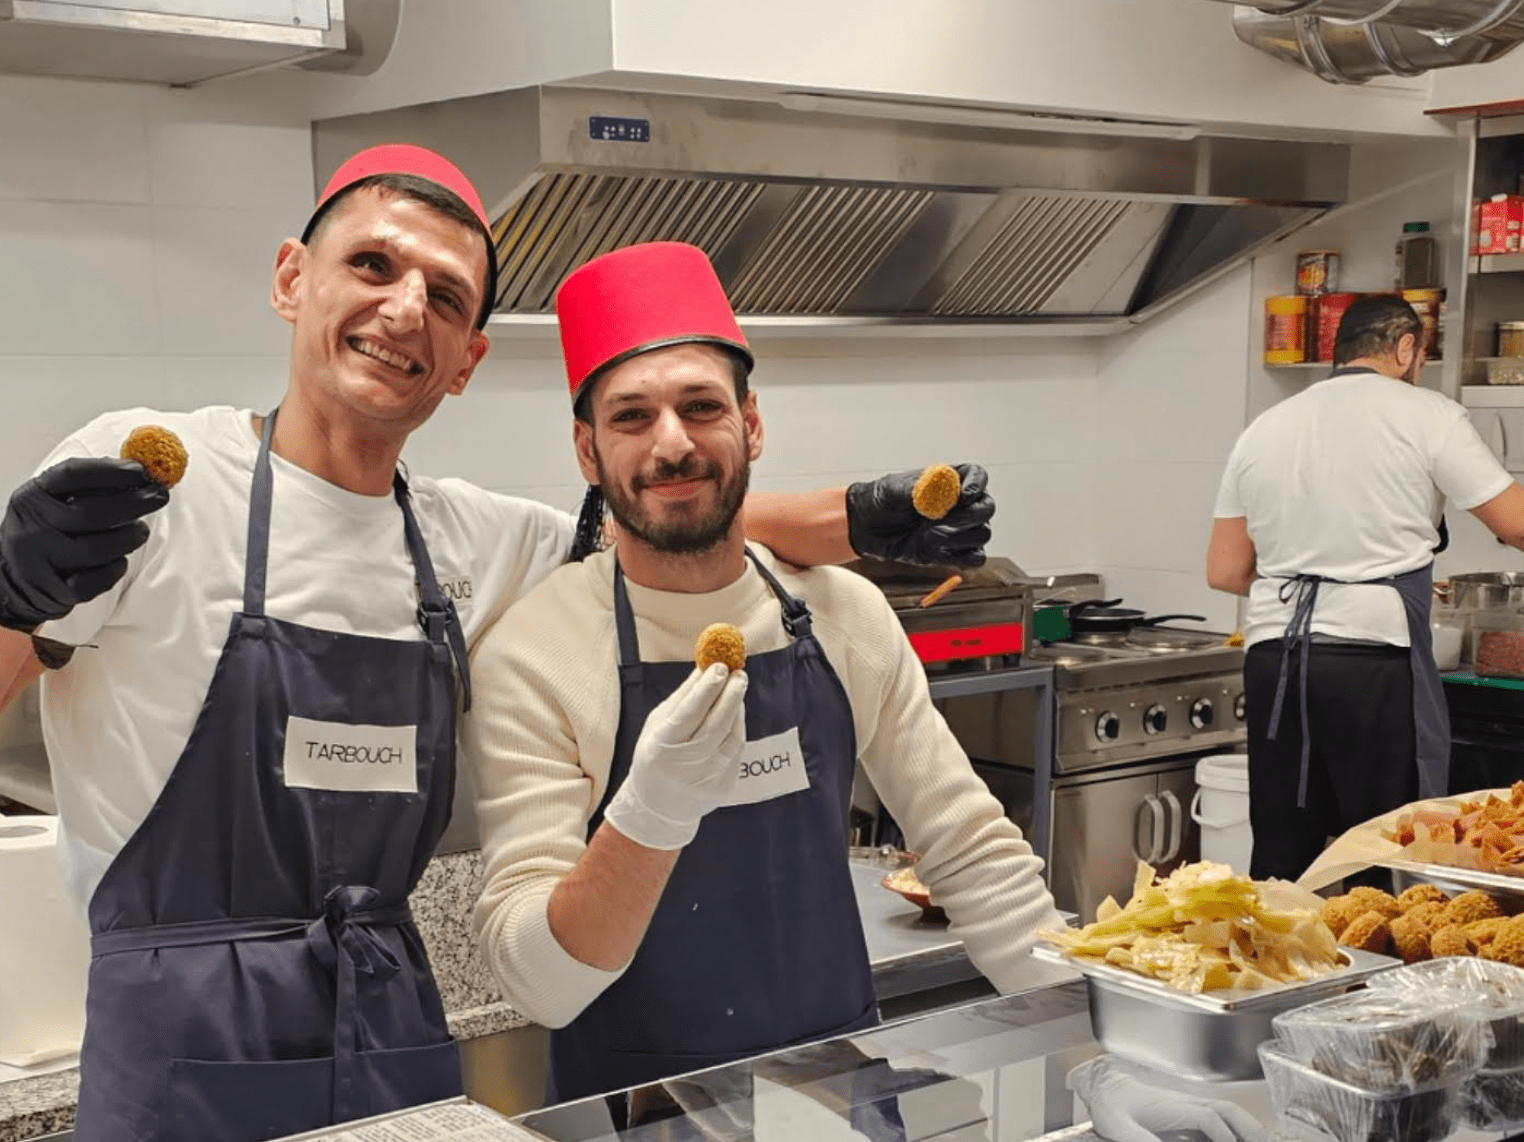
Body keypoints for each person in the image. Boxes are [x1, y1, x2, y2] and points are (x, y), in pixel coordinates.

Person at [0, 148, 1000, 1142]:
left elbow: (668, 518)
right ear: (292, 279)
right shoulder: (148, 474)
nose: (404, 310)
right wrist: (10, 594)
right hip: (180, 1042)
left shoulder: (472, 537)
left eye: (445, 295)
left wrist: (863, 518)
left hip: (392, 1027)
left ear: (467, 360)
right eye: (373, 266)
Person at [460, 239, 1068, 1105]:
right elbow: (539, 981)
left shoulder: (845, 615)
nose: (672, 443)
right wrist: (650, 814)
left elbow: (970, 853)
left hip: (840, 1100)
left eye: (700, 406)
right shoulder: (537, 654)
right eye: (631, 417)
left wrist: (1097, 1038)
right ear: (588, 453)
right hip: (642, 1116)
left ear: (750, 424)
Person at [1206, 293, 1524, 882]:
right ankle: (1380, 973)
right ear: (1406, 348)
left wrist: (1313, 571)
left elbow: (1225, 571)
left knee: (1284, 853)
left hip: (1275, 660)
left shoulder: (1265, 428)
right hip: (1371, 664)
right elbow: (1514, 523)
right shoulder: (1427, 414)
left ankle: (1280, 968)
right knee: (1384, 850)